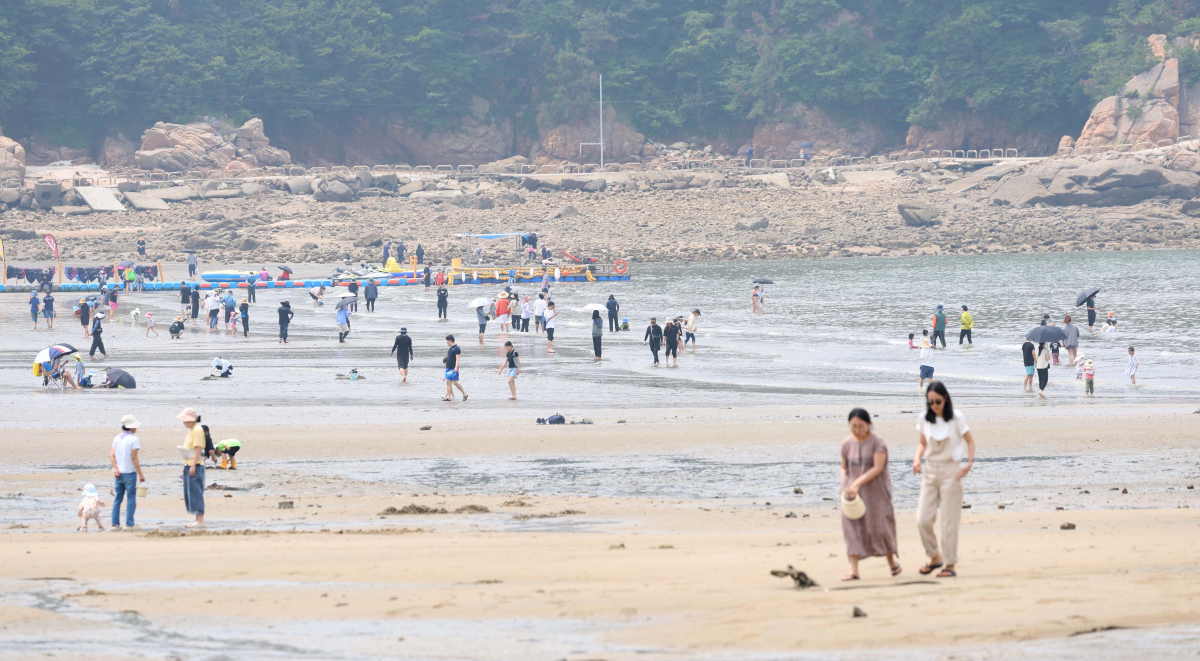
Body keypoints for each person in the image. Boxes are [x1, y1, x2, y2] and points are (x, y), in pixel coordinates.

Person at [913, 381, 975, 579]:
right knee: (922, 519)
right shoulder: (924, 418)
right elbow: (922, 443)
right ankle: (934, 556)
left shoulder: (956, 418)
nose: (934, 406)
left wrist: (969, 464)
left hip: (951, 472)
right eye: (930, 402)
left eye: (937, 401)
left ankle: (949, 564)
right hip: (930, 471)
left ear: (945, 398)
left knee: (949, 522)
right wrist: (917, 459)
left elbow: (970, 441)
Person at [840, 408, 899, 581]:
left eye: (860, 426)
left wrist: (857, 483)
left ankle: (892, 563)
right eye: (853, 427)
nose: (857, 431)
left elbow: (878, 467)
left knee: (881, 527)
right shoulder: (846, 443)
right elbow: (844, 467)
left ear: (868, 425)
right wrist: (845, 483)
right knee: (852, 528)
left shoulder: (877, 441)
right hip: (852, 494)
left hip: (876, 492)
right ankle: (854, 571)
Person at [109, 414, 145, 531]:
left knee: (118, 499)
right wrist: (140, 474)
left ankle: (115, 524)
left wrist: (115, 468)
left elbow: (112, 455)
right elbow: (134, 458)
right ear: (131, 427)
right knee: (130, 499)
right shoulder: (134, 439)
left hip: (118, 473)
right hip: (129, 473)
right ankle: (129, 524)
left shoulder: (117, 438)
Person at [177, 408, 206, 528]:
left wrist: (193, 465)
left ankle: (200, 520)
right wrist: (186, 465)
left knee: (196, 492)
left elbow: (198, 449)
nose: (183, 422)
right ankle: (196, 519)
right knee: (190, 492)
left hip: (196, 465)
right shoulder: (192, 430)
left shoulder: (198, 430)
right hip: (189, 464)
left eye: (185, 420)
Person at [443, 335, 467, 401]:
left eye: (447, 341)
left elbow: (457, 359)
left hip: (453, 368)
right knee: (448, 382)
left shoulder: (457, 348)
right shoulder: (450, 349)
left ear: (450, 340)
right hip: (448, 368)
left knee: (455, 382)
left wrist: (456, 367)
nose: (447, 342)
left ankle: (464, 394)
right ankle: (448, 397)